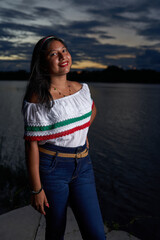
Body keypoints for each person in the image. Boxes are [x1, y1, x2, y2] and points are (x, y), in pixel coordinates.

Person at [22, 35, 106, 240]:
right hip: (52, 169)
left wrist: (81, 135)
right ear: (42, 63)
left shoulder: (81, 88)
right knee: (56, 231)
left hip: (83, 165)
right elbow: (31, 145)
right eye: (53, 53)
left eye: (64, 50)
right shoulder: (38, 99)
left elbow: (92, 111)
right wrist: (36, 189)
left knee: (96, 234)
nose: (62, 56)